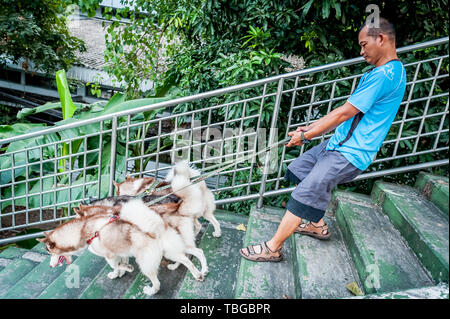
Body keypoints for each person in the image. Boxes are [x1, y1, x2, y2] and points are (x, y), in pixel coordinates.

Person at [240, 17, 407, 262]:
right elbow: (347, 109)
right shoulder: (389, 71)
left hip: (350, 153)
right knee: (299, 169)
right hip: (337, 145)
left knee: (304, 192)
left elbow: (344, 113)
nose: (361, 52)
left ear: (380, 39)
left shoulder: (385, 75)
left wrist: (306, 136)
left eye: (364, 45)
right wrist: (311, 128)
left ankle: (273, 248)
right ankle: (317, 225)